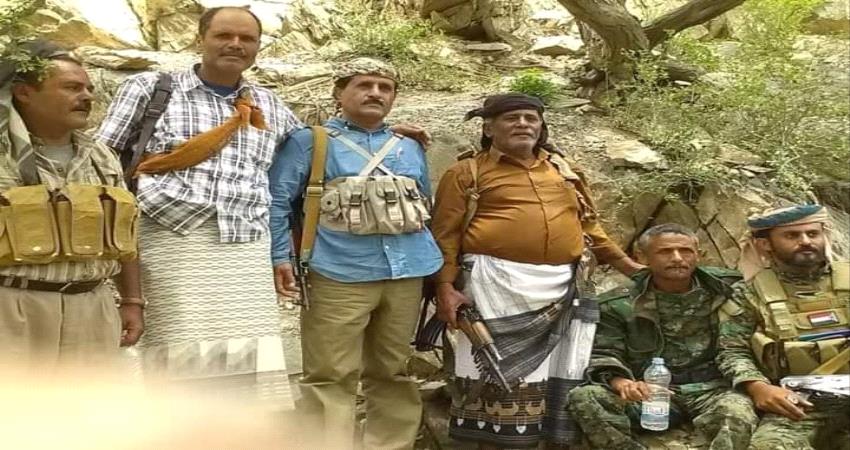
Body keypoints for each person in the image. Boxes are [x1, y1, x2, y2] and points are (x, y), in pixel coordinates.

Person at [96, 7, 300, 395]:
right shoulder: (152, 89)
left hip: (245, 246)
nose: (235, 44)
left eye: (247, 39)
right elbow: (100, 161)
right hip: (169, 240)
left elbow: (312, 151)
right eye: (224, 35)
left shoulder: (270, 105)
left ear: (258, 47)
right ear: (200, 39)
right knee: (177, 355)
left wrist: (390, 134)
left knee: (246, 360)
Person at [430, 93, 643, 449]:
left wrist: (630, 267)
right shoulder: (466, 172)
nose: (523, 124)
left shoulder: (563, 170)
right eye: (511, 118)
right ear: (488, 128)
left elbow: (589, 227)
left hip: (563, 286)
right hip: (493, 288)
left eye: (531, 118)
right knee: (495, 373)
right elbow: (445, 235)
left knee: (561, 370)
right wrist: (444, 287)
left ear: (541, 126)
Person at [269, 57, 443, 449]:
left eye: (385, 88)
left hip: (405, 273)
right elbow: (277, 202)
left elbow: (423, 205)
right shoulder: (310, 142)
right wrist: (281, 257)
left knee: (394, 372)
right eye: (364, 85)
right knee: (330, 375)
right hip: (336, 273)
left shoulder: (409, 146)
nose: (375, 93)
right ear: (339, 92)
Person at [0, 40, 143, 373]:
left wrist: (133, 301)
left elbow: (127, 235)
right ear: (24, 93)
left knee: (83, 406)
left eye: (89, 88)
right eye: (71, 87)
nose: (87, 97)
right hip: (11, 306)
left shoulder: (101, 156)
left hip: (92, 308)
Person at [568, 224, 758, 450]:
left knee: (737, 414)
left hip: (714, 389)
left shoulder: (727, 287)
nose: (677, 258)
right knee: (585, 397)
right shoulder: (617, 304)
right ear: (642, 258)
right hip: (652, 393)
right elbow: (604, 352)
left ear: (698, 254)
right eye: (665, 252)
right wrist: (623, 383)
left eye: (685, 251)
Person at [716, 204, 849, 450]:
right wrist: (758, 388)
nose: (805, 241)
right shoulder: (749, 293)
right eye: (792, 235)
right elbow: (732, 351)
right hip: (799, 402)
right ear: (765, 244)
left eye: (813, 233)